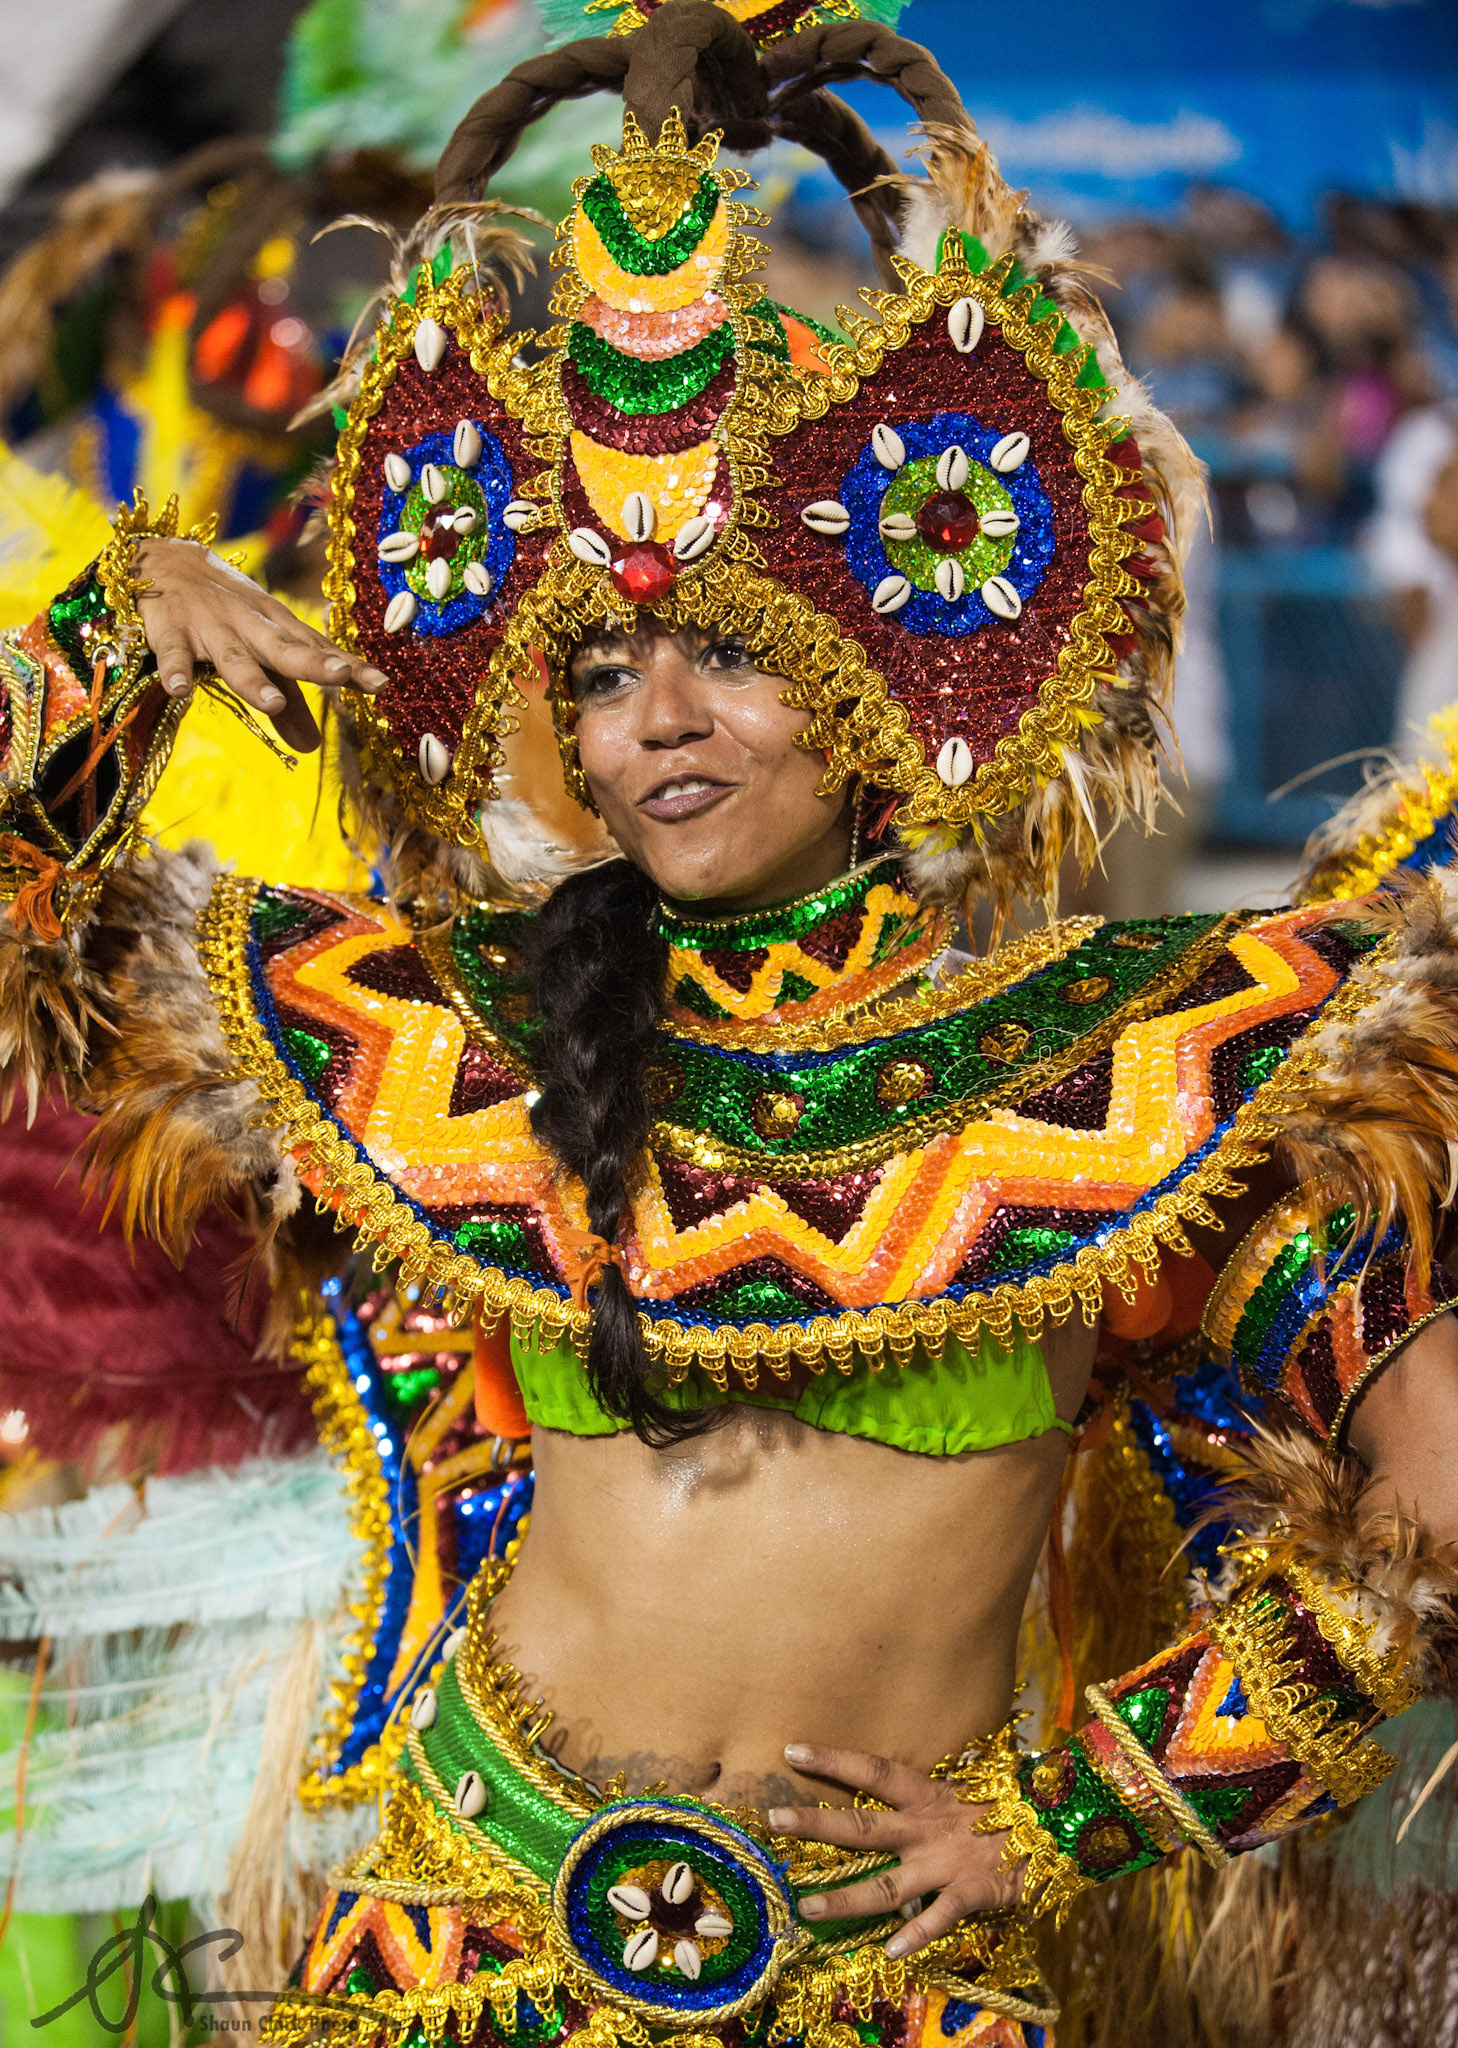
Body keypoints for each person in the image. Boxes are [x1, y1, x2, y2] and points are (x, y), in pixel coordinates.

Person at [6, 6, 1458, 2043]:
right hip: (461, 1939)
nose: (659, 722)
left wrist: (1081, 1808)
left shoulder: (1146, 1061)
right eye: (601, 675)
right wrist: (113, 630)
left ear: (868, 686)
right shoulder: (452, 1026)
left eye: (728, 656)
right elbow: (38, 943)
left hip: (895, 1974)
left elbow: (1422, 1507)